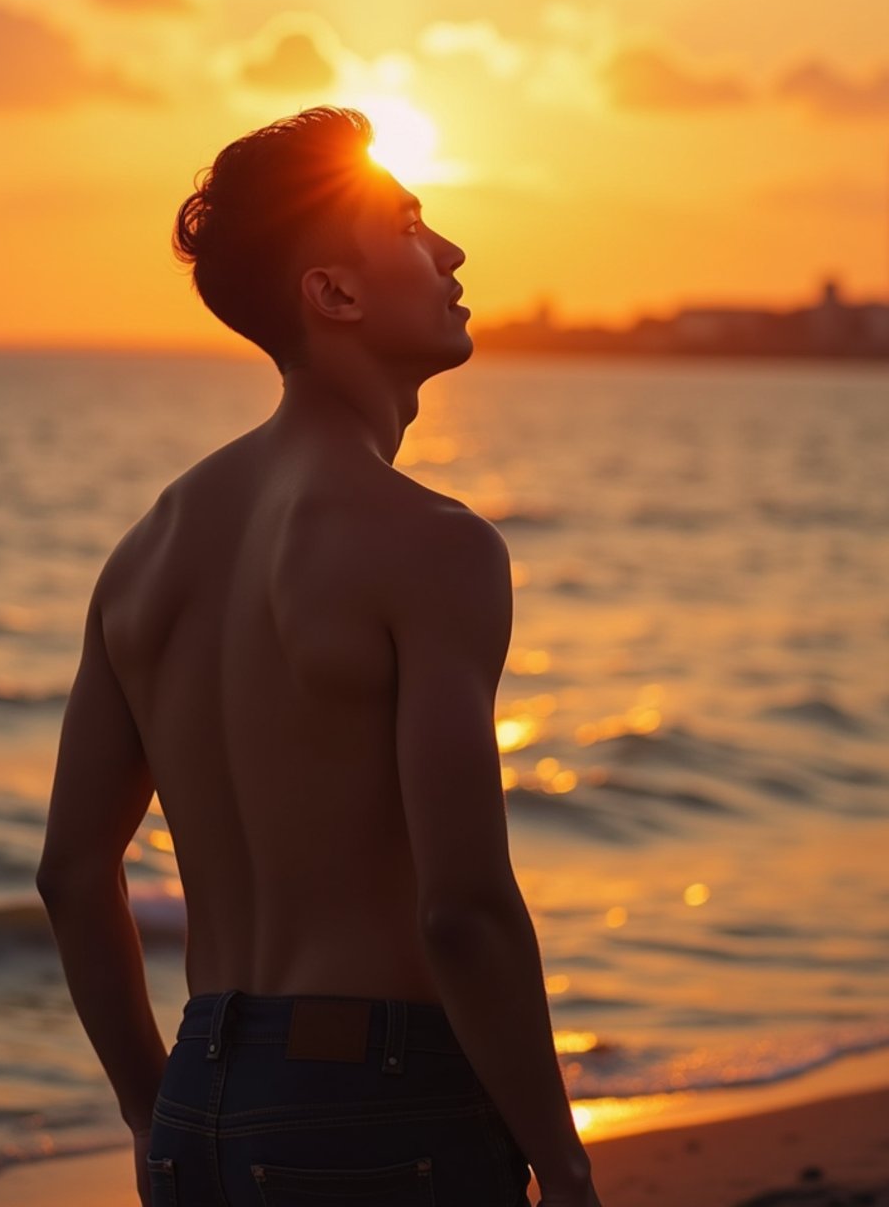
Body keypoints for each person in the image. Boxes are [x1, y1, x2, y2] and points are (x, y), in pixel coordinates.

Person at [36, 106, 603, 1207]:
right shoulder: (433, 547)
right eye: (405, 226)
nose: (451, 253)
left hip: (201, 1097)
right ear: (332, 293)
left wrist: (153, 1111)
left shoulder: (148, 550)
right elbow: (463, 909)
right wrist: (563, 1164)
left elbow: (69, 873)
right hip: (384, 1106)